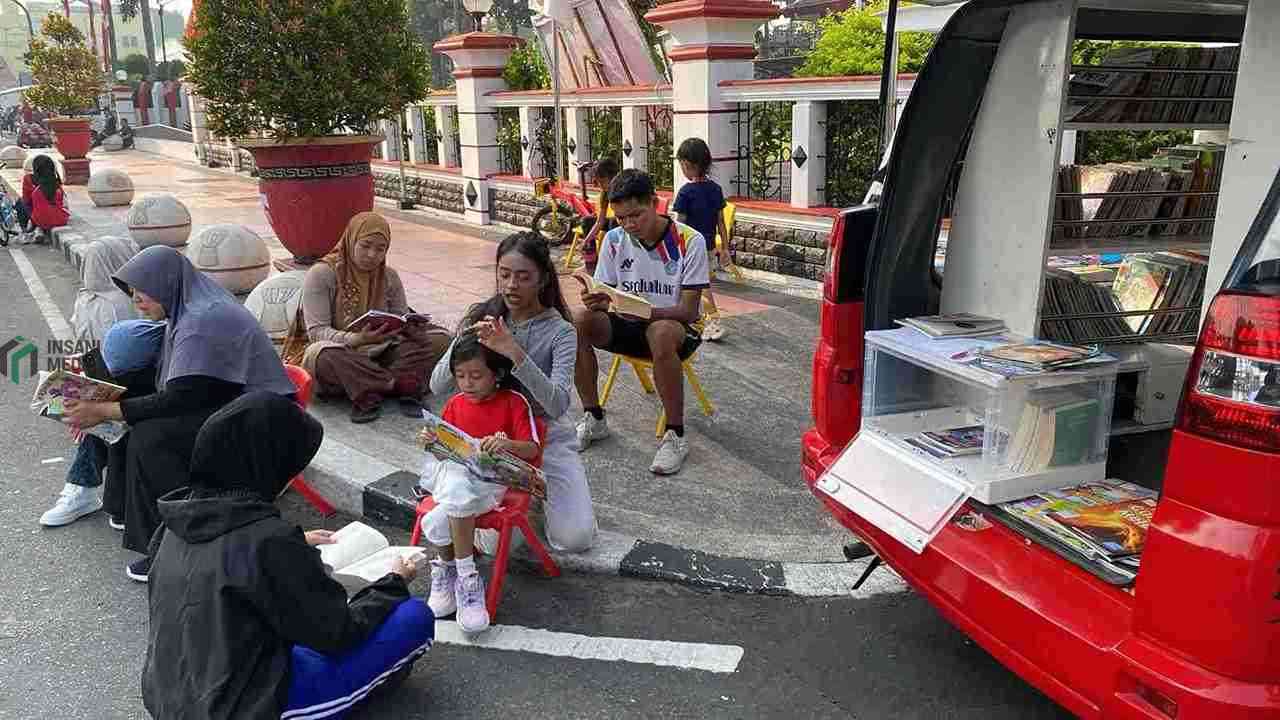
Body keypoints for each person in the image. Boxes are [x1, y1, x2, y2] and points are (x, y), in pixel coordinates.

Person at [143, 391, 433, 720]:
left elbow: (224, 565)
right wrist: (392, 582)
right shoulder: (269, 542)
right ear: (267, 464)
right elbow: (338, 633)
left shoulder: (176, 519)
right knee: (412, 617)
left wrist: (296, 543)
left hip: (169, 695)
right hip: (246, 708)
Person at [62, 245, 297, 582]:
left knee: (151, 436)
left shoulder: (203, 319)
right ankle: (127, 508)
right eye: (132, 293)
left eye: (143, 291)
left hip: (262, 418)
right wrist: (108, 404)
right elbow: (185, 388)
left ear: (166, 283)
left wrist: (104, 409)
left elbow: (183, 397)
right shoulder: (185, 308)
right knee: (129, 403)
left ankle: (169, 548)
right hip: (232, 399)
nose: (136, 301)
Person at [430, 232, 596, 553]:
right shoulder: (486, 318)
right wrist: (465, 335)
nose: (510, 285)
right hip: (492, 439)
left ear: (543, 279)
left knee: (574, 539)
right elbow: (437, 385)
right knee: (494, 545)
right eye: (504, 275)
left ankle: (543, 493)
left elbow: (558, 404)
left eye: (523, 277)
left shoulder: (560, 330)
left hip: (545, 436)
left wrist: (515, 352)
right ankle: (522, 497)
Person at [573, 169, 709, 476]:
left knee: (660, 334)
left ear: (655, 202)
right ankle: (593, 417)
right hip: (627, 322)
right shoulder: (614, 239)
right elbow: (607, 292)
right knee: (579, 321)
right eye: (621, 218)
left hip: (675, 329)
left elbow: (689, 311)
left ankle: (675, 435)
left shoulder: (689, 240)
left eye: (636, 215)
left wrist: (646, 314)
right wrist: (597, 299)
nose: (629, 225)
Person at [418, 332, 543, 633]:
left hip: (491, 484)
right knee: (455, 480)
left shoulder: (514, 402)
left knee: (437, 522)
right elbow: (445, 452)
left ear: (497, 374)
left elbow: (533, 449)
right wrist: (430, 442)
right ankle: (464, 577)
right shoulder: (455, 404)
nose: (467, 383)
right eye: (460, 376)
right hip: (455, 479)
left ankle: (455, 574)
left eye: (476, 376)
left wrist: (507, 445)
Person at [283, 212, 452, 423]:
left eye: (380, 249)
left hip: (382, 350)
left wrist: (409, 327)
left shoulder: (389, 276)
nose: (372, 254)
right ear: (351, 240)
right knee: (321, 355)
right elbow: (316, 332)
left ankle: (369, 386)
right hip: (342, 353)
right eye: (366, 245)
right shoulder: (322, 274)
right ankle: (396, 384)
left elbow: (400, 317)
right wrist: (356, 339)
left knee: (441, 339)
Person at [39, 237, 143, 527]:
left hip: (130, 382)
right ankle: (85, 490)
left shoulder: (123, 301)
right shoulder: (92, 298)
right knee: (84, 413)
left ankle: (82, 488)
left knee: (95, 421)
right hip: (102, 378)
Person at [673, 138, 731, 341]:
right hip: (708, 248)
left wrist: (673, 250)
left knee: (700, 286)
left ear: (688, 164)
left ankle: (713, 322)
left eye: (681, 164)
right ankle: (694, 320)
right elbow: (721, 222)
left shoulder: (685, 193)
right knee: (696, 285)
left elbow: (679, 226)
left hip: (689, 250)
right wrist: (725, 248)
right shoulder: (715, 189)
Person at [17, 154, 69, 244]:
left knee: (20, 202)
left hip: (39, 219)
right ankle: (38, 229)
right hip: (60, 219)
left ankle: (26, 231)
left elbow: (26, 200)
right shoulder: (56, 181)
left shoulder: (28, 179)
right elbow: (60, 202)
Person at [580, 157, 620, 272]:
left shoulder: (624, 190)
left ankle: (612, 264)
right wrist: (586, 240)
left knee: (614, 221)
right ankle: (591, 262)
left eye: (602, 181)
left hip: (628, 224)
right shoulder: (605, 194)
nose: (599, 185)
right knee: (587, 221)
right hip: (616, 223)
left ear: (614, 177)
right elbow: (600, 222)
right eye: (597, 181)